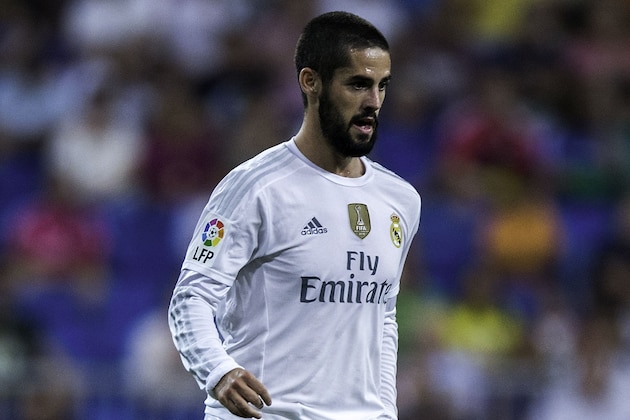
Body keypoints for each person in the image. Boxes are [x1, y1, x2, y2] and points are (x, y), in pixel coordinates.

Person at [168, 11, 421, 420]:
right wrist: (219, 371)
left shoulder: (401, 200)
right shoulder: (255, 187)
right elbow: (190, 299)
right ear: (311, 81)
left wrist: (384, 409)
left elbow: (382, 316)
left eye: (381, 86)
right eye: (358, 84)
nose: (373, 102)